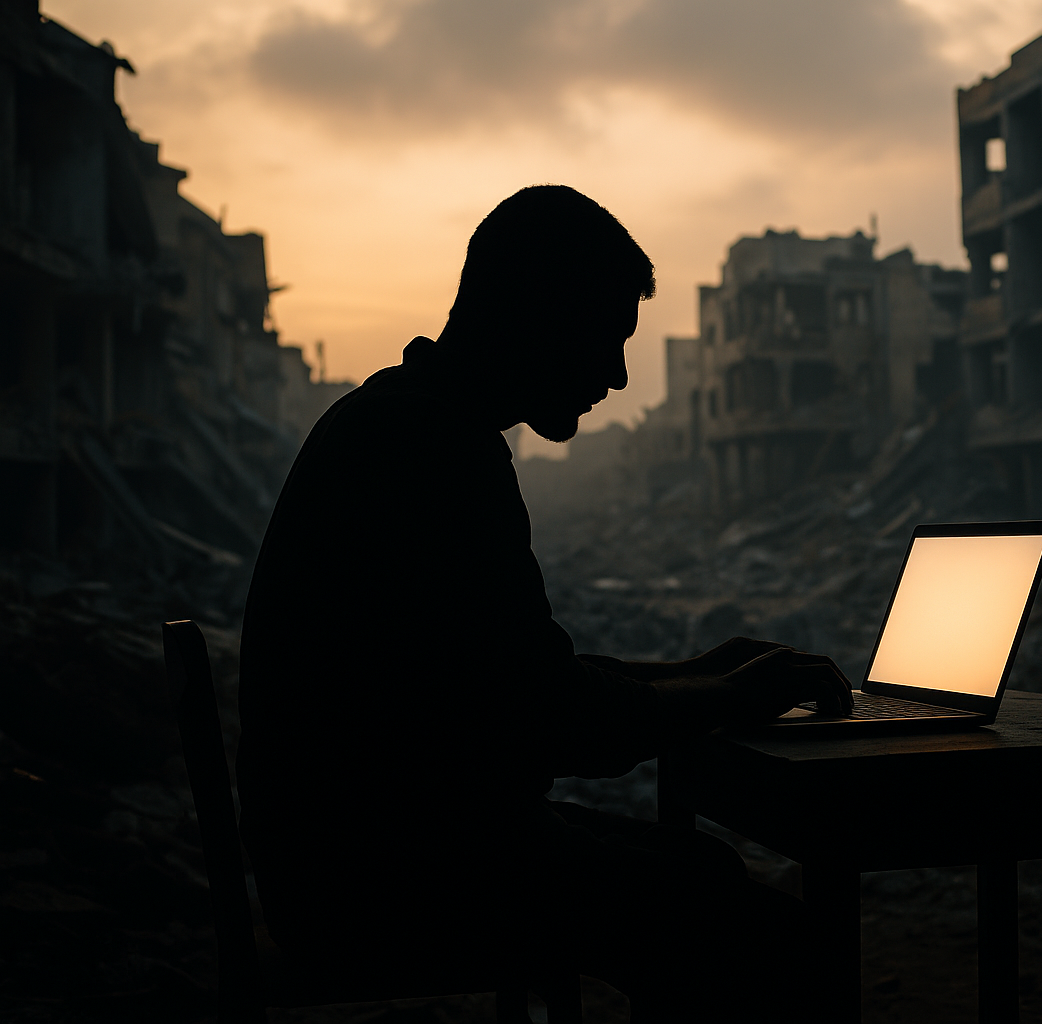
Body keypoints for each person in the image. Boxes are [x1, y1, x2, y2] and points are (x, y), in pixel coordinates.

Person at [236, 185, 853, 1021]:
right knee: (773, 940)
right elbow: (556, 721)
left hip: (369, 852)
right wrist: (728, 697)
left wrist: (694, 672)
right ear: (538, 313)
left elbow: (511, 675)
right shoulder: (434, 450)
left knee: (701, 875)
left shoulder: (397, 421)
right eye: (606, 338)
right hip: (384, 884)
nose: (617, 374)